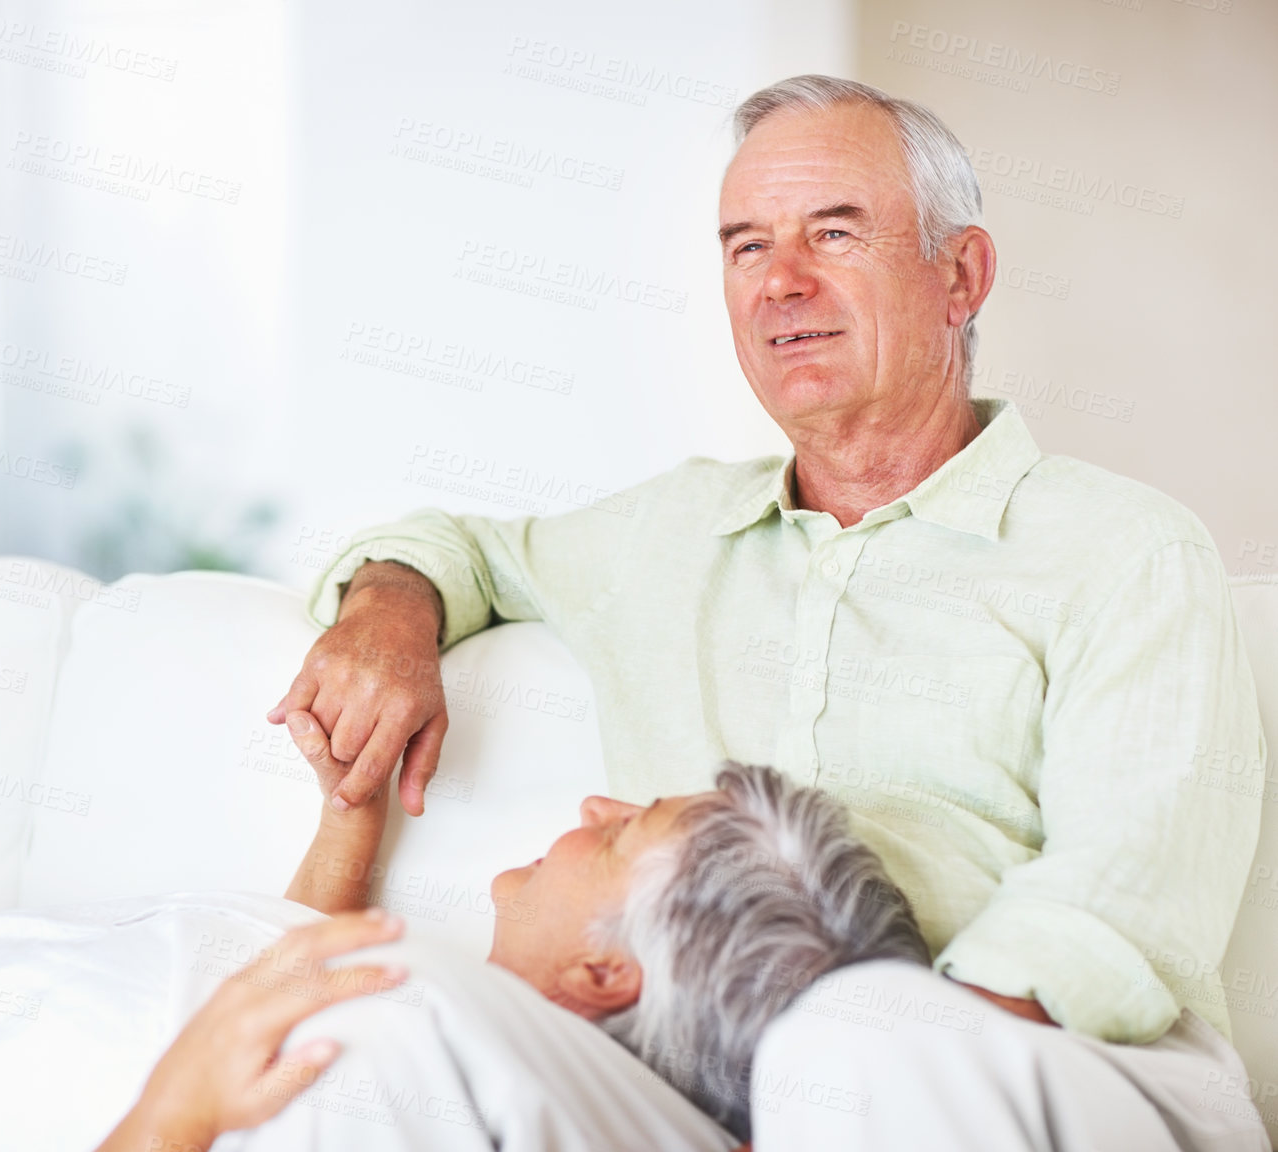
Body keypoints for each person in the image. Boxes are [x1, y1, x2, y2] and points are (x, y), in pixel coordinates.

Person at [268, 75, 1271, 1150]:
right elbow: (457, 547)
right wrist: (386, 608)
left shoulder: (1123, 550)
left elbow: (1109, 913)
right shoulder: (667, 532)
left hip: (1062, 1078)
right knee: (389, 1042)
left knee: (846, 1047)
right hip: (707, 1093)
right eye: (745, 247)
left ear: (959, 275)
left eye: (832, 235)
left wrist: (817, 1081)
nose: (779, 283)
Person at [0, 709, 925, 1152]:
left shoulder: (414, 1091)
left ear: (604, 975)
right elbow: (242, 997)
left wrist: (169, 1121)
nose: (591, 805)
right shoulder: (440, 1025)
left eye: (624, 833)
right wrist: (346, 833)